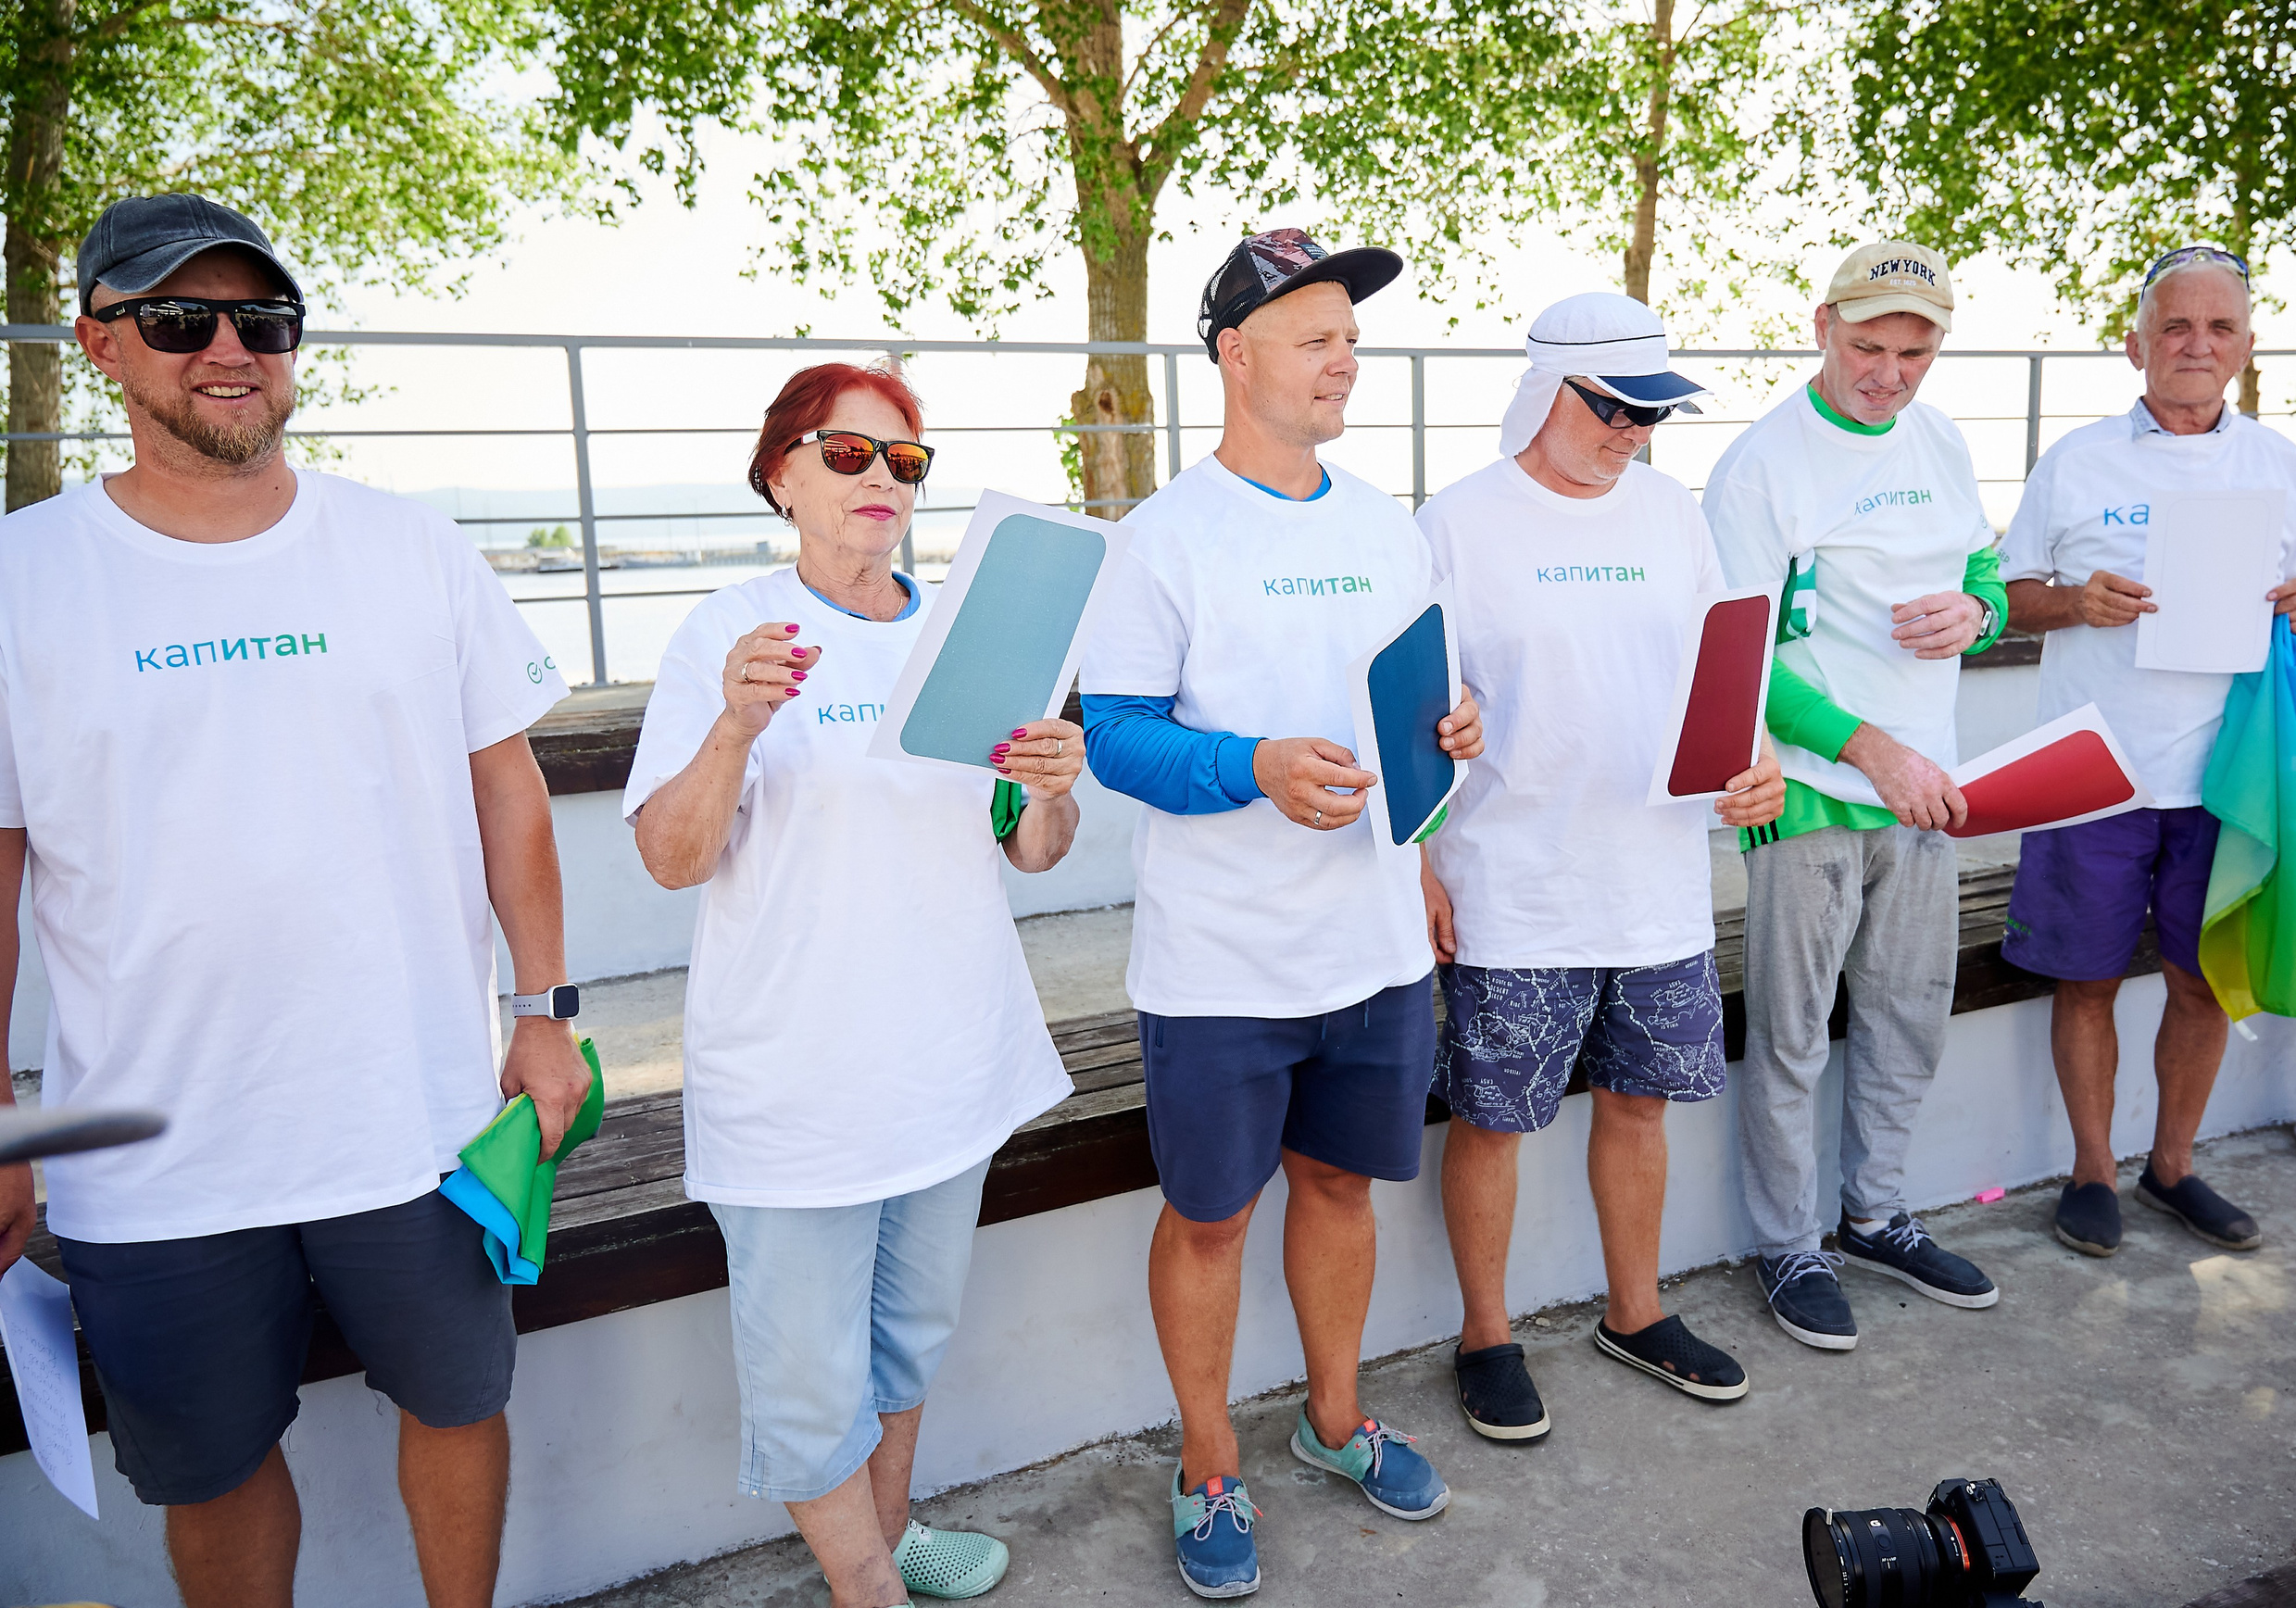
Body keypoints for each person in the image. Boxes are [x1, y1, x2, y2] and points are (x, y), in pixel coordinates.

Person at [0, 195, 589, 1608]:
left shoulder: (412, 546)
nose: (228, 349)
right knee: (209, 1472)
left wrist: (544, 1013)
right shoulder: (22, 579)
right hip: (146, 1151)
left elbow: (508, 791)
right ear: (99, 343)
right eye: (178, 319)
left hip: (414, 1116)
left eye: (262, 320)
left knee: (460, 1403)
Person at [624, 361, 1081, 1608]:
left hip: (950, 1060)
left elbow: (1034, 850)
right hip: (798, 1082)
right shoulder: (729, 635)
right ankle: (868, 1587)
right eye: (846, 452)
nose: (879, 476)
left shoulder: (975, 634)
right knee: (809, 1378)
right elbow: (671, 858)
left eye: (904, 460)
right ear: (780, 475)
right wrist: (733, 728)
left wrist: (1051, 787)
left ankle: (886, 1536)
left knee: (907, 1340)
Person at [1076, 227, 1483, 1600]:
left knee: (1340, 1187)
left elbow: (1426, 700)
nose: (1345, 362)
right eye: (1317, 340)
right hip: (1220, 965)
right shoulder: (1158, 540)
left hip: (1374, 949)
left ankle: (1333, 1418)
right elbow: (1115, 737)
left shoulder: (1386, 524)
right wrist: (1251, 765)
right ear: (1235, 356)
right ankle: (1207, 1464)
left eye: (1351, 341)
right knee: (1208, 1220)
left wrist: (1454, 735)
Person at [1419, 292, 1786, 1437]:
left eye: (1652, 413)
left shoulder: (1673, 513)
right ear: (1543, 390)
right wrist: (1419, 859)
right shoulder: (1455, 522)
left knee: (1638, 1103)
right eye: (1613, 407)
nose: (1632, 431)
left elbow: (1727, 669)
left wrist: (1761, 759)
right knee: (1494, 1119)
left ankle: (1636, 1312)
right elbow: (1413, 701)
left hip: (1656, 877)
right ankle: (1486, 1334)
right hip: (1511, 881)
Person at [1703, 240, 2008, 1354]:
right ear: (1821, 326)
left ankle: (1876, 1217)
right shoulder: (1759, 466)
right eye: (1867, 346)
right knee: (1792, 1036)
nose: (1887, 374)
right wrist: (1869, 750)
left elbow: (1981, 569)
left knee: (1906, 1019)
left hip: (1922, 788)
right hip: (1812, 792)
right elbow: (1740, 656)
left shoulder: (1942, 438)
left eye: (1912, 354)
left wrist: (1978, 615)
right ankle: (1790, 1244)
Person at [2003, 245, 2296, 1252]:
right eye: (2175, 326)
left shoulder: (2278, 464)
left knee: (2201, 981)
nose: (2196, 344)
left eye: (2219, 326)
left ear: (2245, 345)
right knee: (2087, 980)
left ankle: (2173, 1167)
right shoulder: (2076, 460)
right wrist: (2076, 602)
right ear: (2135, 343)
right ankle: (2092, 1171)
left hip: (2227, 778)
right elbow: (2009, 598)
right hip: (2094, 771)